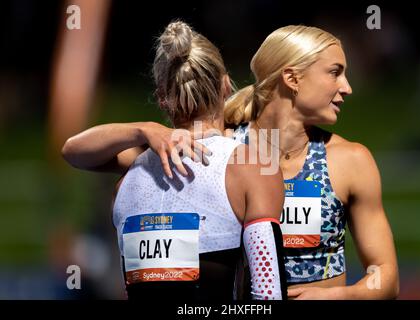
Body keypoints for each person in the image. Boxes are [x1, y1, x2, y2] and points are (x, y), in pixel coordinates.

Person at [63, 24, 399, 299]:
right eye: (335, 73)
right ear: (292, 78)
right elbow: (78, 152)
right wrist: (145, 130)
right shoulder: (221, 149)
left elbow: (386, 279)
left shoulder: (350, 160)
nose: (348, 87)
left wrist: (335, 297)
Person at [64, 21, 287, 301]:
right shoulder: (252, 166)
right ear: (226, 85)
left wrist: (142, 129)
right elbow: (269, 293)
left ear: (161, 98)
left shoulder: (134, 170)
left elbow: (73, 152)